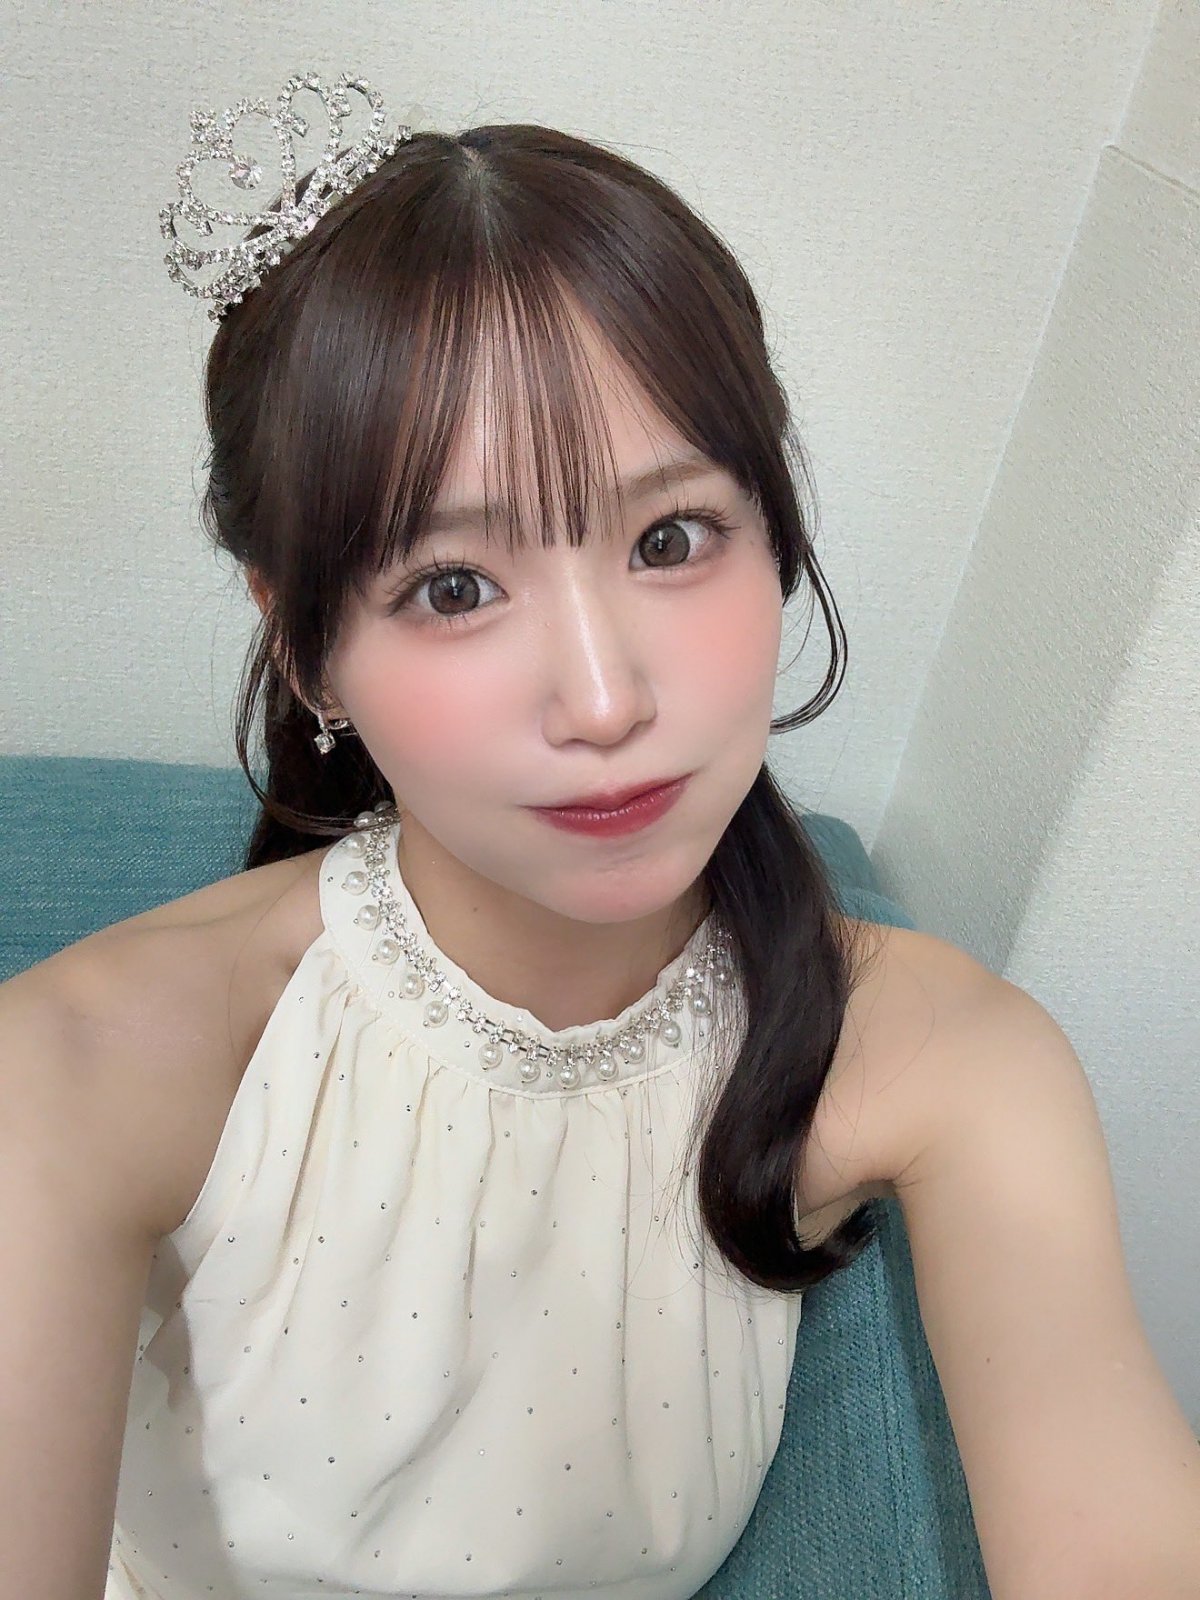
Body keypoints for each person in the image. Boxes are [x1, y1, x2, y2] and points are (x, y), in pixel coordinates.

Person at [14, 70, 1197, 1600]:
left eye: (671, 538)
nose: (604, 697)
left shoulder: (951, 1059)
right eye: (454, 586)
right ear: (305, 646)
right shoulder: (76, 1072)